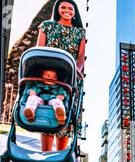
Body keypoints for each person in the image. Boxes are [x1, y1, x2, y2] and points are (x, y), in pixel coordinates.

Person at [36, 0, 86, 152]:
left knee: (67, 115)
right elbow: (40, 49)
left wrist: (76, 71)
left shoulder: (80, 32)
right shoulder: (47, 26)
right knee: (48, 114)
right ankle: (45, 155)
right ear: (57, 9)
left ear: (74, 11)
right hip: (50, 76)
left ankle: (58, 158)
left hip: (70, 78)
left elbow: (81, 56)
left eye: (70, 8)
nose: (67, 11)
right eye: (63, 7)